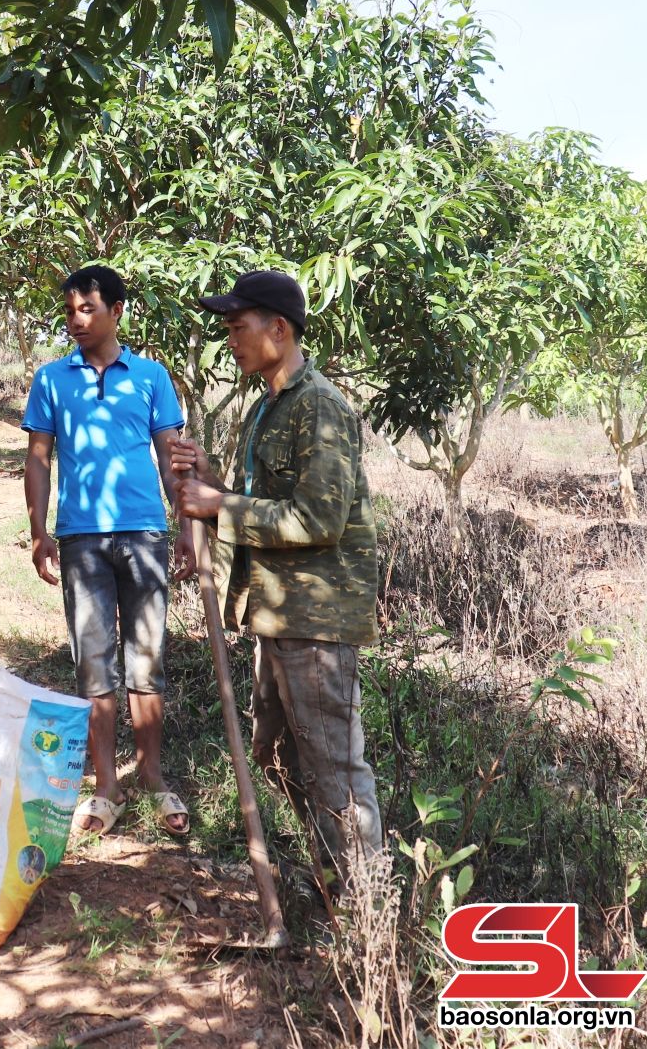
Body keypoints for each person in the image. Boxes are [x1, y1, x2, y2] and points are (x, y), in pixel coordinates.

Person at [169, 269, 383, 885]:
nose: (230, 340)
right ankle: (332, 876)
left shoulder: (319, 406)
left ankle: (366, 906)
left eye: (238, 328)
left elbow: (318, 519)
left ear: (279, 329)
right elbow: (273, 504)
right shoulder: (274, 405)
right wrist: (214, 484)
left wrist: (217, 507)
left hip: (314, 622)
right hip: (278, 615)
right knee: (282, 754)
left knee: (335, 768)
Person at [22, 265, 195, 838]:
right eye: (70, 310)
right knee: (94, 664)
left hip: (145, 534)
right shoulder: (51, 379)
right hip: (81, 539)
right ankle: (105, 788)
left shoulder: (150, 377)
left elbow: (172, 456)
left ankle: (152, 777)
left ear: (117, 311)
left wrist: (188, 529)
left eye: (87, 309)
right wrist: (39, 529)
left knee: (147, 664)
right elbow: (39, 457)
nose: (76, 320)